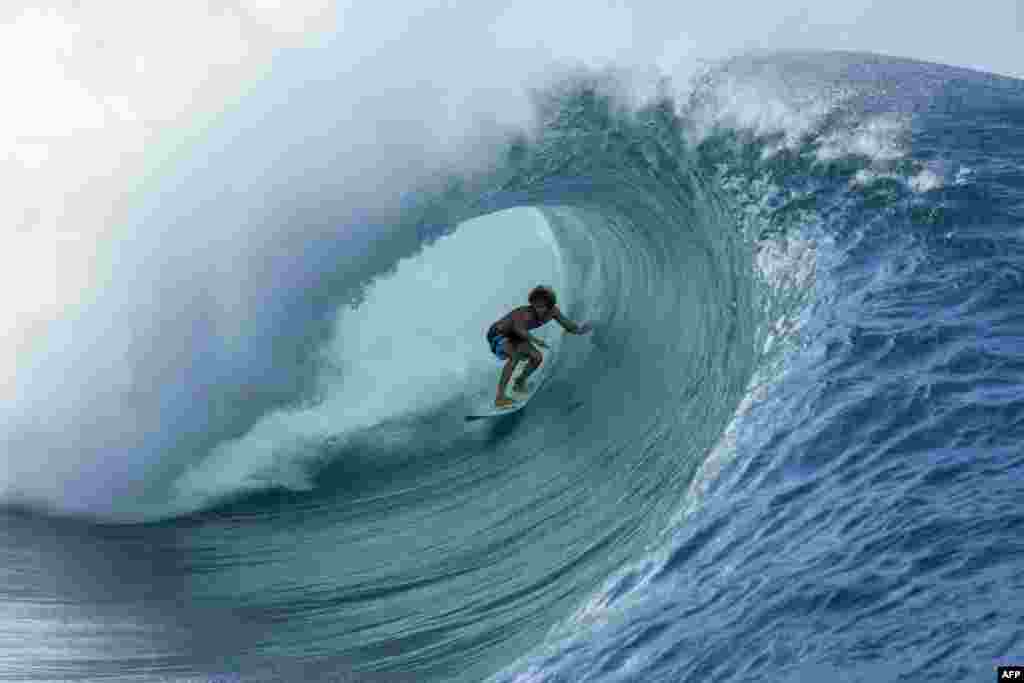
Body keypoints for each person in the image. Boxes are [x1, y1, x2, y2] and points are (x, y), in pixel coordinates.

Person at [486, 285, 592, 408]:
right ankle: (500, 398)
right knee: (514, 356)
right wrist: (536, 341)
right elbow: (518, 329)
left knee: (537, 357)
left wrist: (580, 330)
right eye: (536, 306)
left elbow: (568, 326)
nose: (538, 310)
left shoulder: (553, 312)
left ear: (549, 305)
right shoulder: (526, 313)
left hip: (515, 336)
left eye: (542, 306)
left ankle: (519, 382)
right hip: (498, 334)